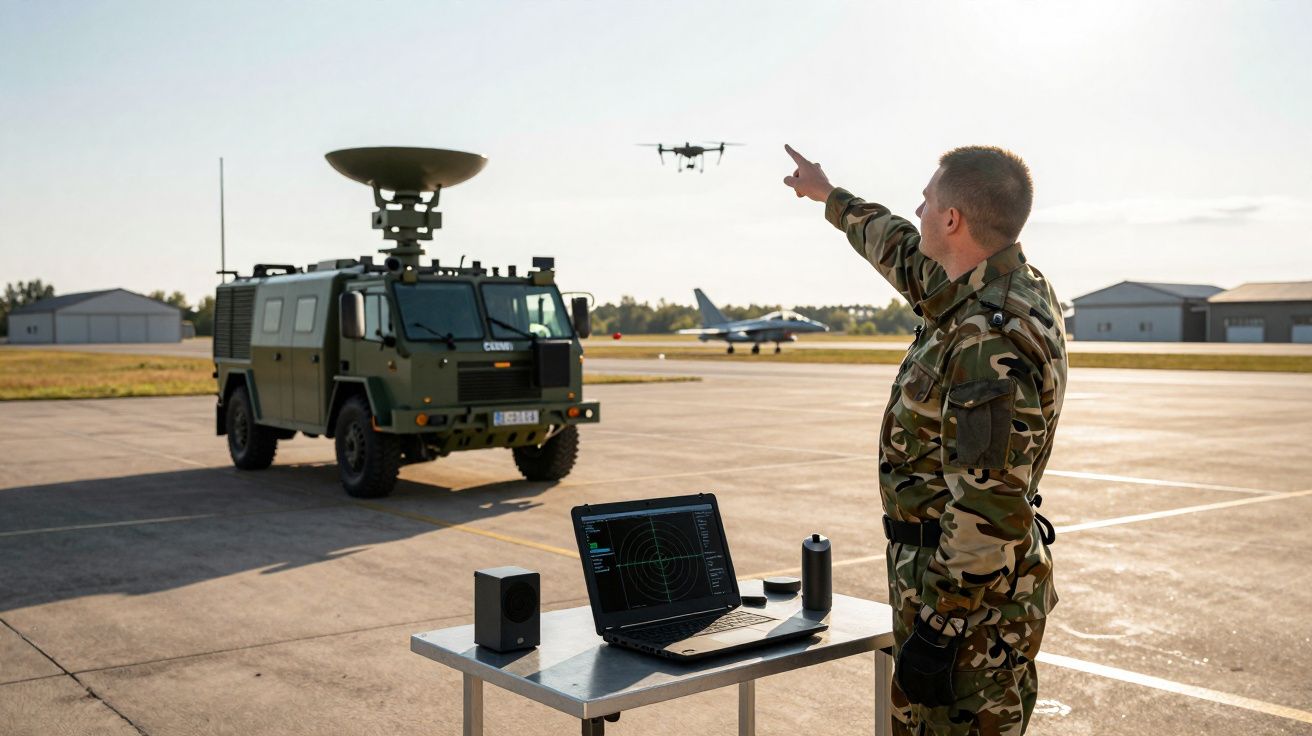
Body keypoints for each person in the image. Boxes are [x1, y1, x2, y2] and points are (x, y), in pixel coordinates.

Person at [784, 144, 1067, 735]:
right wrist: (829, 196)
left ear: (952, 221)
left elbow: (989, 505)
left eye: (927, 201)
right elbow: (903, 253)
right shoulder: (988, 288)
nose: (917, 209)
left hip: (968, 619)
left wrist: (940, 629)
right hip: (950, 592)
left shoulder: (990, 341)